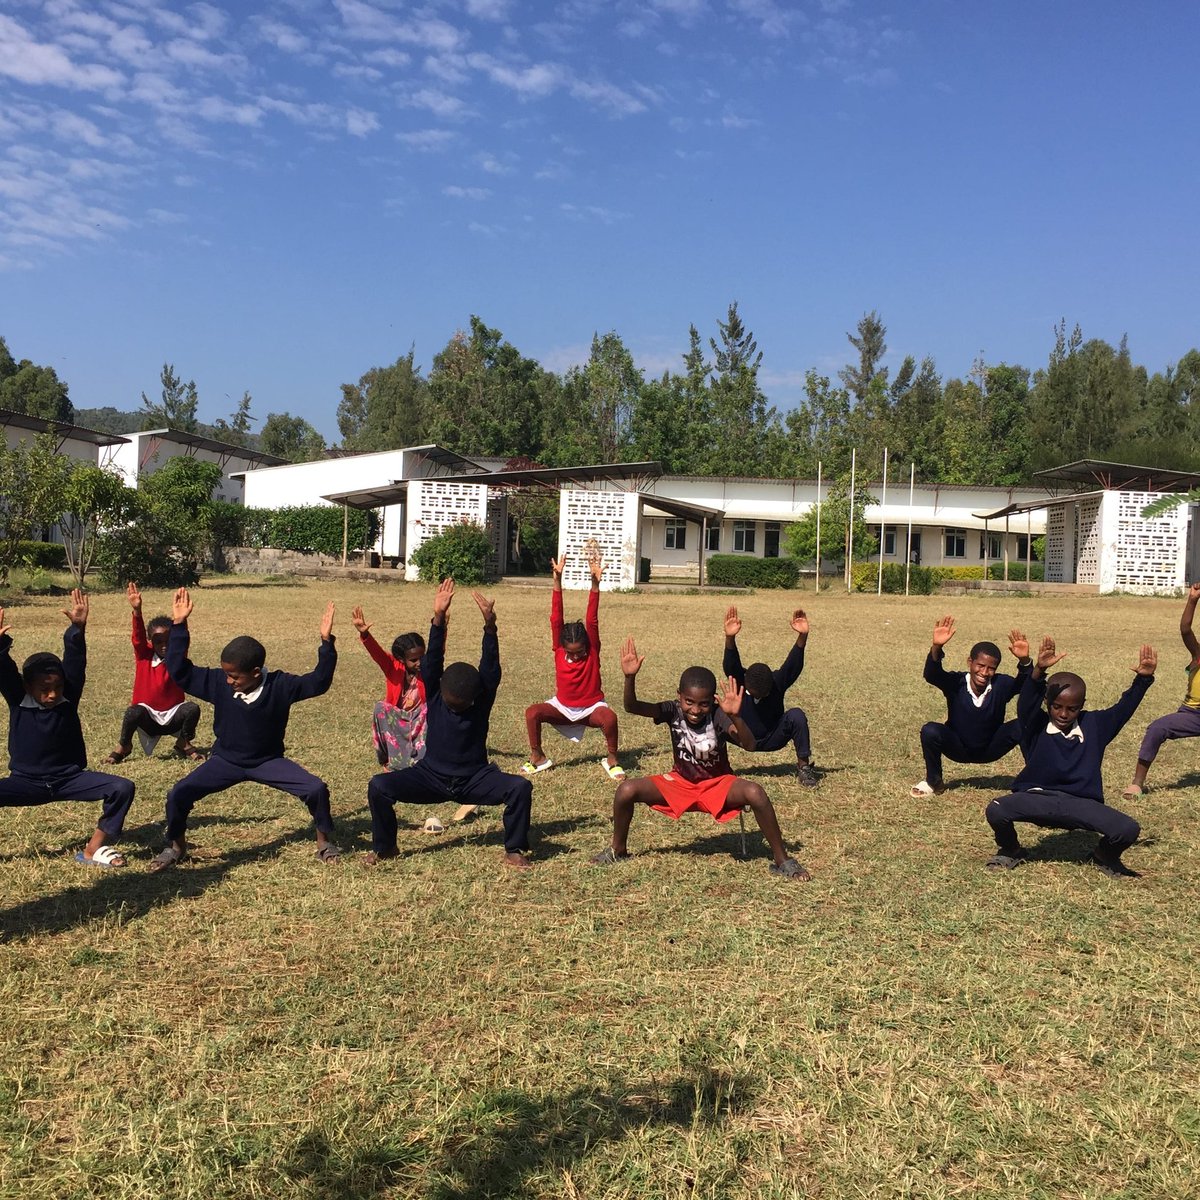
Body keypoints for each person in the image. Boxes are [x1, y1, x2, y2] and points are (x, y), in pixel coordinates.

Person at [149, 588, 339, 871]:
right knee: (178, 793)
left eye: (234, 676)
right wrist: (179, 626)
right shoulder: (216, 682)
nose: (227, 681)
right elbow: (180, 670)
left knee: (315, 788)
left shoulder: (281, 685)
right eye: (225, 674)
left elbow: (319, 682)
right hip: (225, 760)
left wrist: (326, 643)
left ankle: (324, 843)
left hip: (268, 761)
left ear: (256, 672)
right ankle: (176, 846)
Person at [589, 636, 810, 880]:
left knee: (756, 793)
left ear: (713, 700)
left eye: (703, 704)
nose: (695, 710)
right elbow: (632, 707)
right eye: (689, 702)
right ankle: (617, 849)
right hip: (680, 782)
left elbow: (749, 744)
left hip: (718, 784)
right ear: (679, 696)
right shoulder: (671, 710)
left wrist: (736, 716)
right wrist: (629, 678)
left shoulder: (718, 716)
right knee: (626, 790)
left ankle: (782, 860)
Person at [365, 578, 533, 870]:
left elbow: (490, 668)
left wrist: (490, 626)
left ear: (475, 697)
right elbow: (433, 660)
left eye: (461, 704)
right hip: (430, 777)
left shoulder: (481, 701)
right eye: (450, 701)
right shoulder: (435, 691)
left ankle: (514, 850)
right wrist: (438, 618)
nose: (454, 706)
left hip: (475, 779)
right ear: (440, 689)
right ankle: (386, 847)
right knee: (379, 786)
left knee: (520, 787)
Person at [984, 635, 1157, 878]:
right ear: (1048, 703)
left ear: (1082, 705)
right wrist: (1039, 671)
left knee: (1128, 829)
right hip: (1038, 798)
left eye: (1072, 708)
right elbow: (1025, 704)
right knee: (996, 809)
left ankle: (1103, 856)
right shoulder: (1034, 725)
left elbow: (1122, 710)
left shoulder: (1095, 725)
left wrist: (1143, 679)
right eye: (1057, 706)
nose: (1064, 714)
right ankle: (1011, 849)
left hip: (1081, 804)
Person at [0, 590, 135, 868]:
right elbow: (3, 670)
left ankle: (92, 850)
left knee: (122, 787)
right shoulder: (19, 698)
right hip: (27, 782)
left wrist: (77, 629)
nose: (52, 695)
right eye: (44, 690)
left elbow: (75, 663)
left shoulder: (67, 699)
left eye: (57, 687)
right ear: (27, 686)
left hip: (69, 779)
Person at [522, 549, 623, 780]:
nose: (576, 657)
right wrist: (557, 581)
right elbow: (556, 617)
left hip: (590, 709)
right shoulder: (558, 648)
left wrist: (595, 585)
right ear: (562, 647)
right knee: (532, 713)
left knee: (610, 718)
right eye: (572, 653)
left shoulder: (593, 649)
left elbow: (592, 619)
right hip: (563, 708)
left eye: (581, 652)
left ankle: (612, 759)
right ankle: (537, 756)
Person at [912, 615, 1032, 797]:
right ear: (970, 662)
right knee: (930, 730)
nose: (984, 672)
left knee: (1023, 725)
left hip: (991, 747)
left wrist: (1025, 662)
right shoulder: (956, 683)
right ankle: (933, 782)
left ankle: (1034, 781)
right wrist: (937, 647)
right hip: (958, 747)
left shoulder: (1001, 685)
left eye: (991, 668)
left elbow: (1025, 685)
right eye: (980, 665)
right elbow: (932, 675)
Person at [103, 581, 203, 764]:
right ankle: (124, 745)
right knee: (132, 712)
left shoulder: (177, 658)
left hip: (173, 716)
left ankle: (184, 742)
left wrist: (181, 620)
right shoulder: (144, 656)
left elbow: (182, 640)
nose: (164, 646)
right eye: (158, 641)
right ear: (150, 641)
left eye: (168, 640)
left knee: (192, 709)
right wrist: (137, 612)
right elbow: (138, 638)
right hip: (148, 718)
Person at [721, 604, 818, 786]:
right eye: (752, 694)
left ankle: (804, 768)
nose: (758, 698)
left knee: (796, 715)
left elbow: (793, 665)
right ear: (746, 684)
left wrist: (802, 636)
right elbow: (730, 665)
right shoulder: (741, 679)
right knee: (713, 713)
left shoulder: (777, 682)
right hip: (741, 736)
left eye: (763, 695)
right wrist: (729, 637)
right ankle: (718, 765)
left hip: (773, 737)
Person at [1123, 581, 1200, 799]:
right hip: (1192, 714)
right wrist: (1192, 601)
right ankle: (1137, 783)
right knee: (1157, 728)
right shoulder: (1198, 654)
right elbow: (1185, 629)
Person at [350, 606, 427, 772]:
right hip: (398, 719)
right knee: (381, 708)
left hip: (420, 719)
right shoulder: (392, 666)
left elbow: (439, 652)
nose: (419, 663)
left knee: (431, 708)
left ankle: (421, 760)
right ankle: (389, 759)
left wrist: (442, 623)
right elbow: (377, 654)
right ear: (401, 659)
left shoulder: (427, 669)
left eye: (422, 657)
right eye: (413, 660)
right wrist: (365, 635)